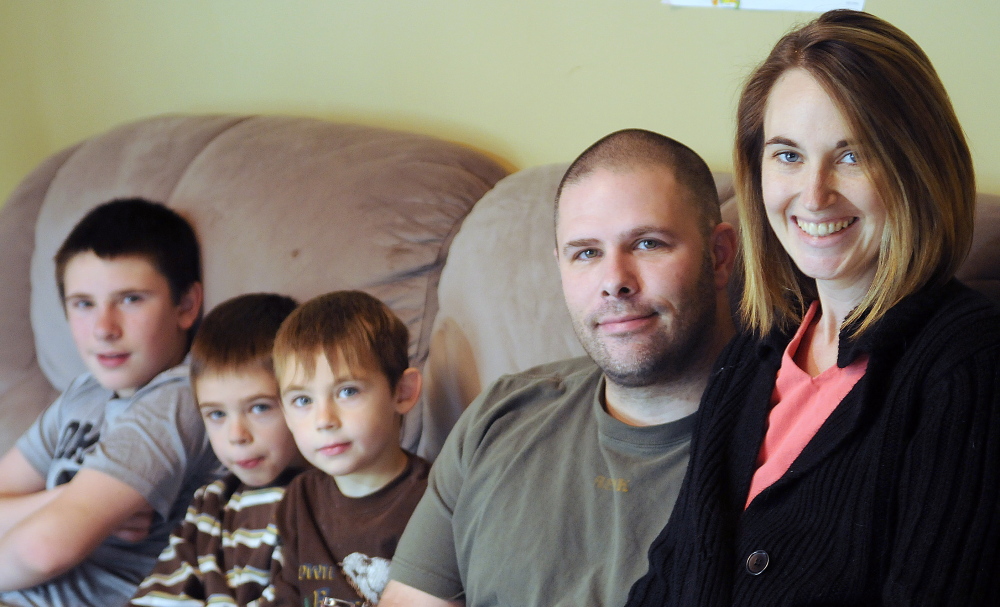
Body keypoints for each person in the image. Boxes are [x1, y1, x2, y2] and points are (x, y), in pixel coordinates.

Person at [626, 10, 1000, 606]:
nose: (814, 193)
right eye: (788, 155)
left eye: (852, 154)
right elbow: (671, 572)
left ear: (917, 166)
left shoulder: (969, 365)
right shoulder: (756, 346)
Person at [381, 128, 738, 607]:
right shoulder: (500, 415)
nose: (614, 281)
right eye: (586, 253)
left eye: (648, 243)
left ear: (719, 256)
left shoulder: (795, 440)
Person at [0, 198, 221, 606]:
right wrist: (68, 497)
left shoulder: (181, 398)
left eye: (131, 299)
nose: (104, 329)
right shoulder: (84, 394)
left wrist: (61, 509)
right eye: (83, 303)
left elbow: (44, 550)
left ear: (187, 306)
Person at [130, 293, 308, 607]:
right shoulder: (210, 505)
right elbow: (160, 596)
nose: (236, 435)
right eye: (217, 414)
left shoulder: (325, 504)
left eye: (259, 408)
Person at [264, 290, 431, 607]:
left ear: (403, 392)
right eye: (303, 401)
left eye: (347, 391)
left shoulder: (432, 503)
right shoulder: (299, 500)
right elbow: (287, 595)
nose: (324, 420)